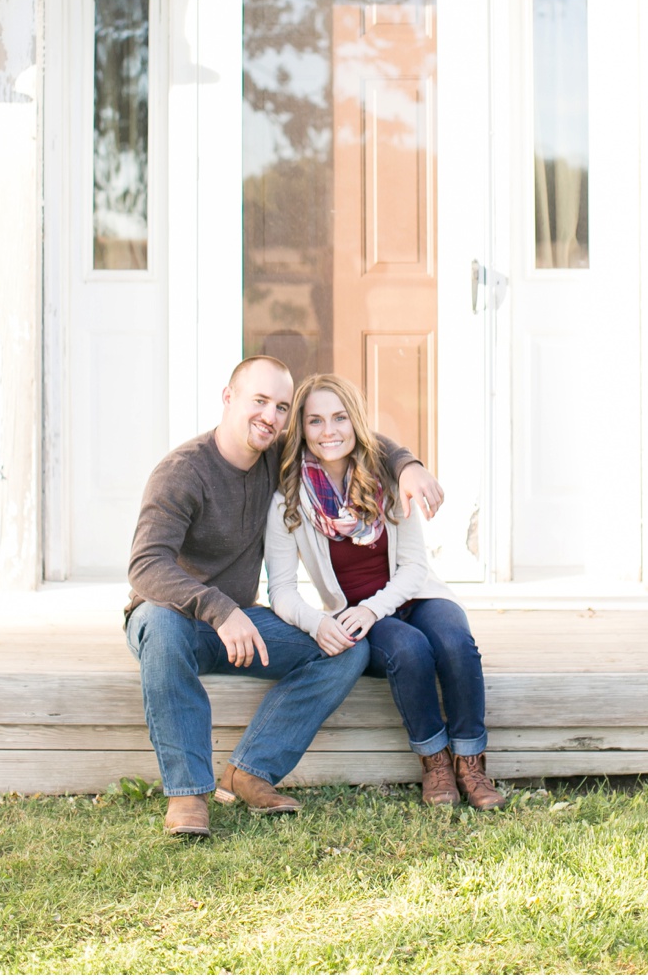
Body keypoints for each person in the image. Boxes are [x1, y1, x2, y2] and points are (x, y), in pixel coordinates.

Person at [125, 355, 445, 837]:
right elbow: (146, 566)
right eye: (259, 401)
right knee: (164, 629)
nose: (270, 417)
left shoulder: (276, 456)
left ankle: (250, 770)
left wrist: (408, 465)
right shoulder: (182, 473)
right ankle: (188, 795)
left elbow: (355, 438)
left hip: (239, 624)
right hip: (173, 617)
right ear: (228, 398)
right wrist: (219, 609)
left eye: (280, 407)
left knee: (345, 648)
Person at [265, 373, 506, 810]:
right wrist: (319, 622)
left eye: (339, 418)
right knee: (410, 650)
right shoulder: (288, 501)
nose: (329, 431)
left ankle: (470, 763)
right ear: (301, 428)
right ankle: (434, 762)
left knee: (455, 642)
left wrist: (375, 608)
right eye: (315, 421)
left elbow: (415, 567)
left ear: (356, 421)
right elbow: (281, 590)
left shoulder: (387, 479)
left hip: (415, 596)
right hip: (354, 613)